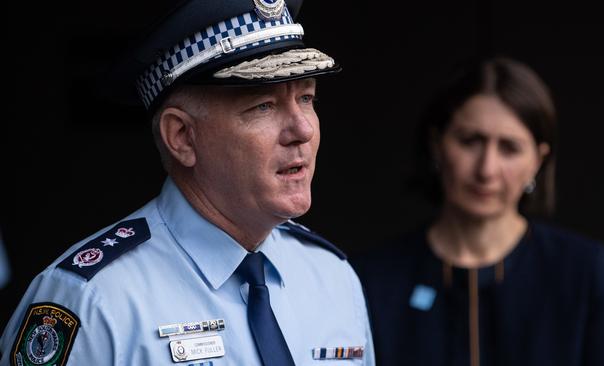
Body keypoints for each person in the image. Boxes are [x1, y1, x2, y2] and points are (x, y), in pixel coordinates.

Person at [0, 1, 374, 365]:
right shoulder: (92, 301)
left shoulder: (332, 277)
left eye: (306, 98)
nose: (303, 130)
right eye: (264, 105)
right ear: (182, 137)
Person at [353, 57, 604, 366]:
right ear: (436, 145)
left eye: (509, 148)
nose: (487, 169)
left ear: (537, 161)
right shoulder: (375, 277)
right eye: (471, 141)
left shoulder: (581, 272)